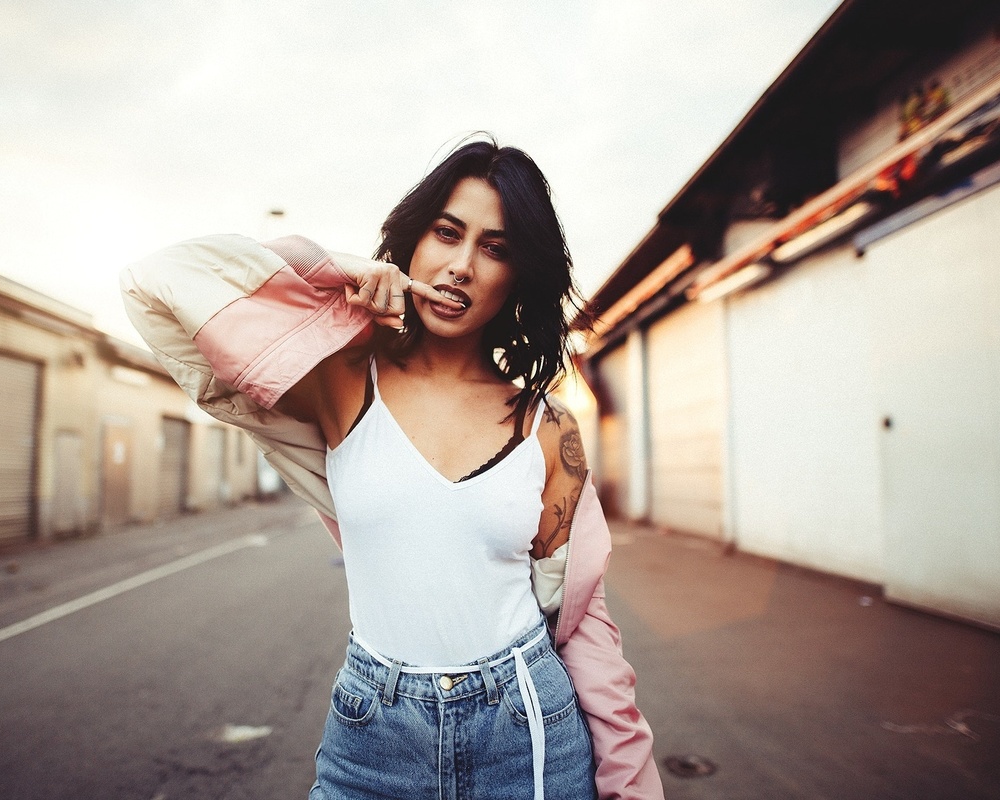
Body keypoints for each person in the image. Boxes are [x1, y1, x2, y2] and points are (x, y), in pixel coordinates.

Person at [121, 138, 663, 800]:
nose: (461, 266)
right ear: (413, 242)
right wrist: (338, 283)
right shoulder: (342, 379)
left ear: (519, 275)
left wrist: (630, 784)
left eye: (494, 248)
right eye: (446, 233)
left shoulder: (549, 429)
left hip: (526, 733)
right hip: (372, 734)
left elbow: (581, 620)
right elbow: (155, 281)